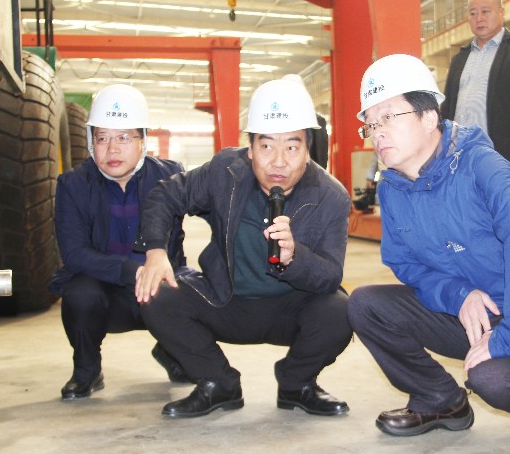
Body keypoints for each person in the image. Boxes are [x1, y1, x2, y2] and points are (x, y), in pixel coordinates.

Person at [348, 54, 510, 447]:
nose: (377, 132)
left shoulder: (481, 165)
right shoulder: (392, 188)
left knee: (494, 381)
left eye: (388, 117)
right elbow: (404, 263)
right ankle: (440, 400)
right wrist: (459, 294)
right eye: (371, 123)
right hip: (467, 313)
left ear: (429, 117)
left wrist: (506, 339)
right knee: (365, 305)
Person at [134, 77, 352, 418]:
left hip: (290, 306)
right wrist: (156, 252)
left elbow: (329, 276)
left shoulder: (331, 196)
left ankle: (297, 384)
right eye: (266, 146)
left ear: (307, 150)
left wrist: (296, 257)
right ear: (249, 148)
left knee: (341, 311)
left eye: (291, 147)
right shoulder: (225, 171)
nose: (278, 161)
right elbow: (167, 194)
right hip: (225, 299)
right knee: (156, 295)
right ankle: (218, 383)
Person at [49, 84, 188, 401]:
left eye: (123, 138)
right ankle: (86, 369)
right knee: (79, 294)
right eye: (102, 138)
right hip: (105, 291)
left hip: (160, 290)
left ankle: (174, 352)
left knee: (197, 288)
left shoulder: (170, 177)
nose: (112, 149)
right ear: (91, 141)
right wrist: (131, 271)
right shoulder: (73, 185)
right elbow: (74, 254)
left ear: (142, 140)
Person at [441, 0, 510, 167]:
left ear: (501, 12)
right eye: (473, 13)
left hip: (500, 156)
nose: (479, 18)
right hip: (458, 158)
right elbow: (447, 107)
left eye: (485, 11)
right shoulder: (459, 59)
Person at [281, 74, 329, 169]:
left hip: (307, 173)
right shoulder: (276, 120)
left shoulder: (317, 121)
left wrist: (317, 176)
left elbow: (320, 155)